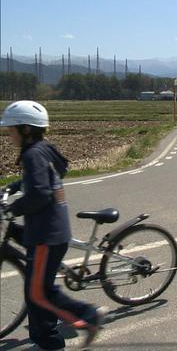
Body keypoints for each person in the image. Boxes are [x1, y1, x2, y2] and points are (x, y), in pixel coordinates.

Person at [1, 101, 108, 350]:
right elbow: (58, 170)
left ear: (26, 129)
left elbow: (39, 193)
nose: (9, 135)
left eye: (11, 130)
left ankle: (88, 316)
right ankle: (46, 337)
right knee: (35, 288)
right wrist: (15, 186)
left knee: (38, 293)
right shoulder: (43, 149)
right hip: (53, 230)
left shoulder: (31, 154)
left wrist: (11, 208)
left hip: (45, 235)